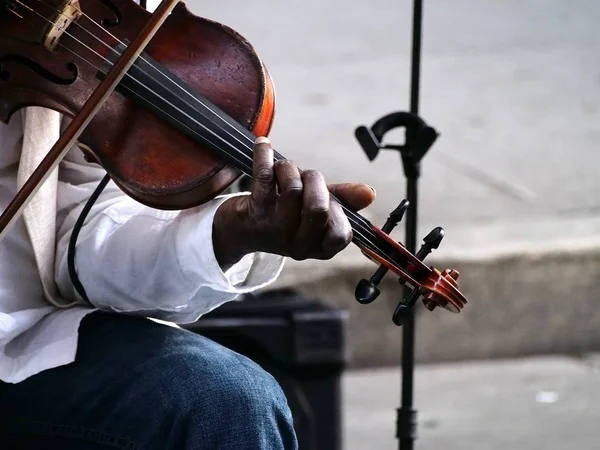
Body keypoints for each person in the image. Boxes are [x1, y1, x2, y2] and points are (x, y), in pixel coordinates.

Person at [0, 103, 375, 449]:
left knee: (228, 402)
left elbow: (73, 227)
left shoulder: (40, 60)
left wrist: (229, 231)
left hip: (17, 336)